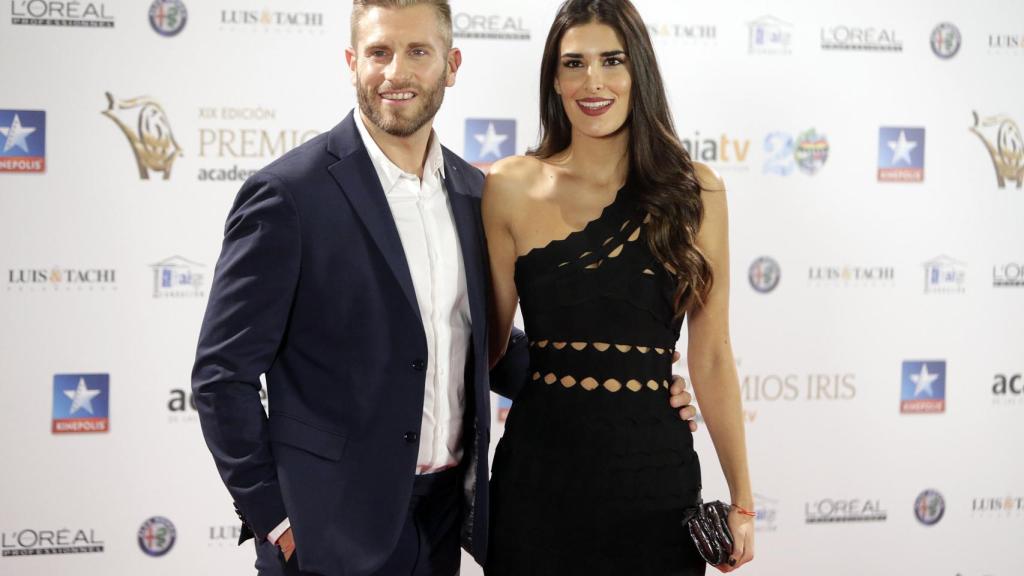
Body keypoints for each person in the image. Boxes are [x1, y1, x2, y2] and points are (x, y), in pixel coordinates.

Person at [191, 1, 699, 575]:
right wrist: (278, 519)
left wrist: (631, 383)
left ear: (451, 65)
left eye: (418, 52)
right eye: (379, 52)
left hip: (442, 526)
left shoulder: (476, 193)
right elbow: (220, 377)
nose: (396, 73)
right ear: (352, 61)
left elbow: (484, 346)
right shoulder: (290, 196)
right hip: (327, 527)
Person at [482, 0, 755, 574]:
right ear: (554, 80)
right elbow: (490, 347)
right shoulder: (509, 186)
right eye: (574, 63)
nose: (594, 81)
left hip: (653, 480)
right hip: (538, 476)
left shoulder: (695, 192)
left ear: (640, 73)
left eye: (613, 60)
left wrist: (743, 502)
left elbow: (711, 354)